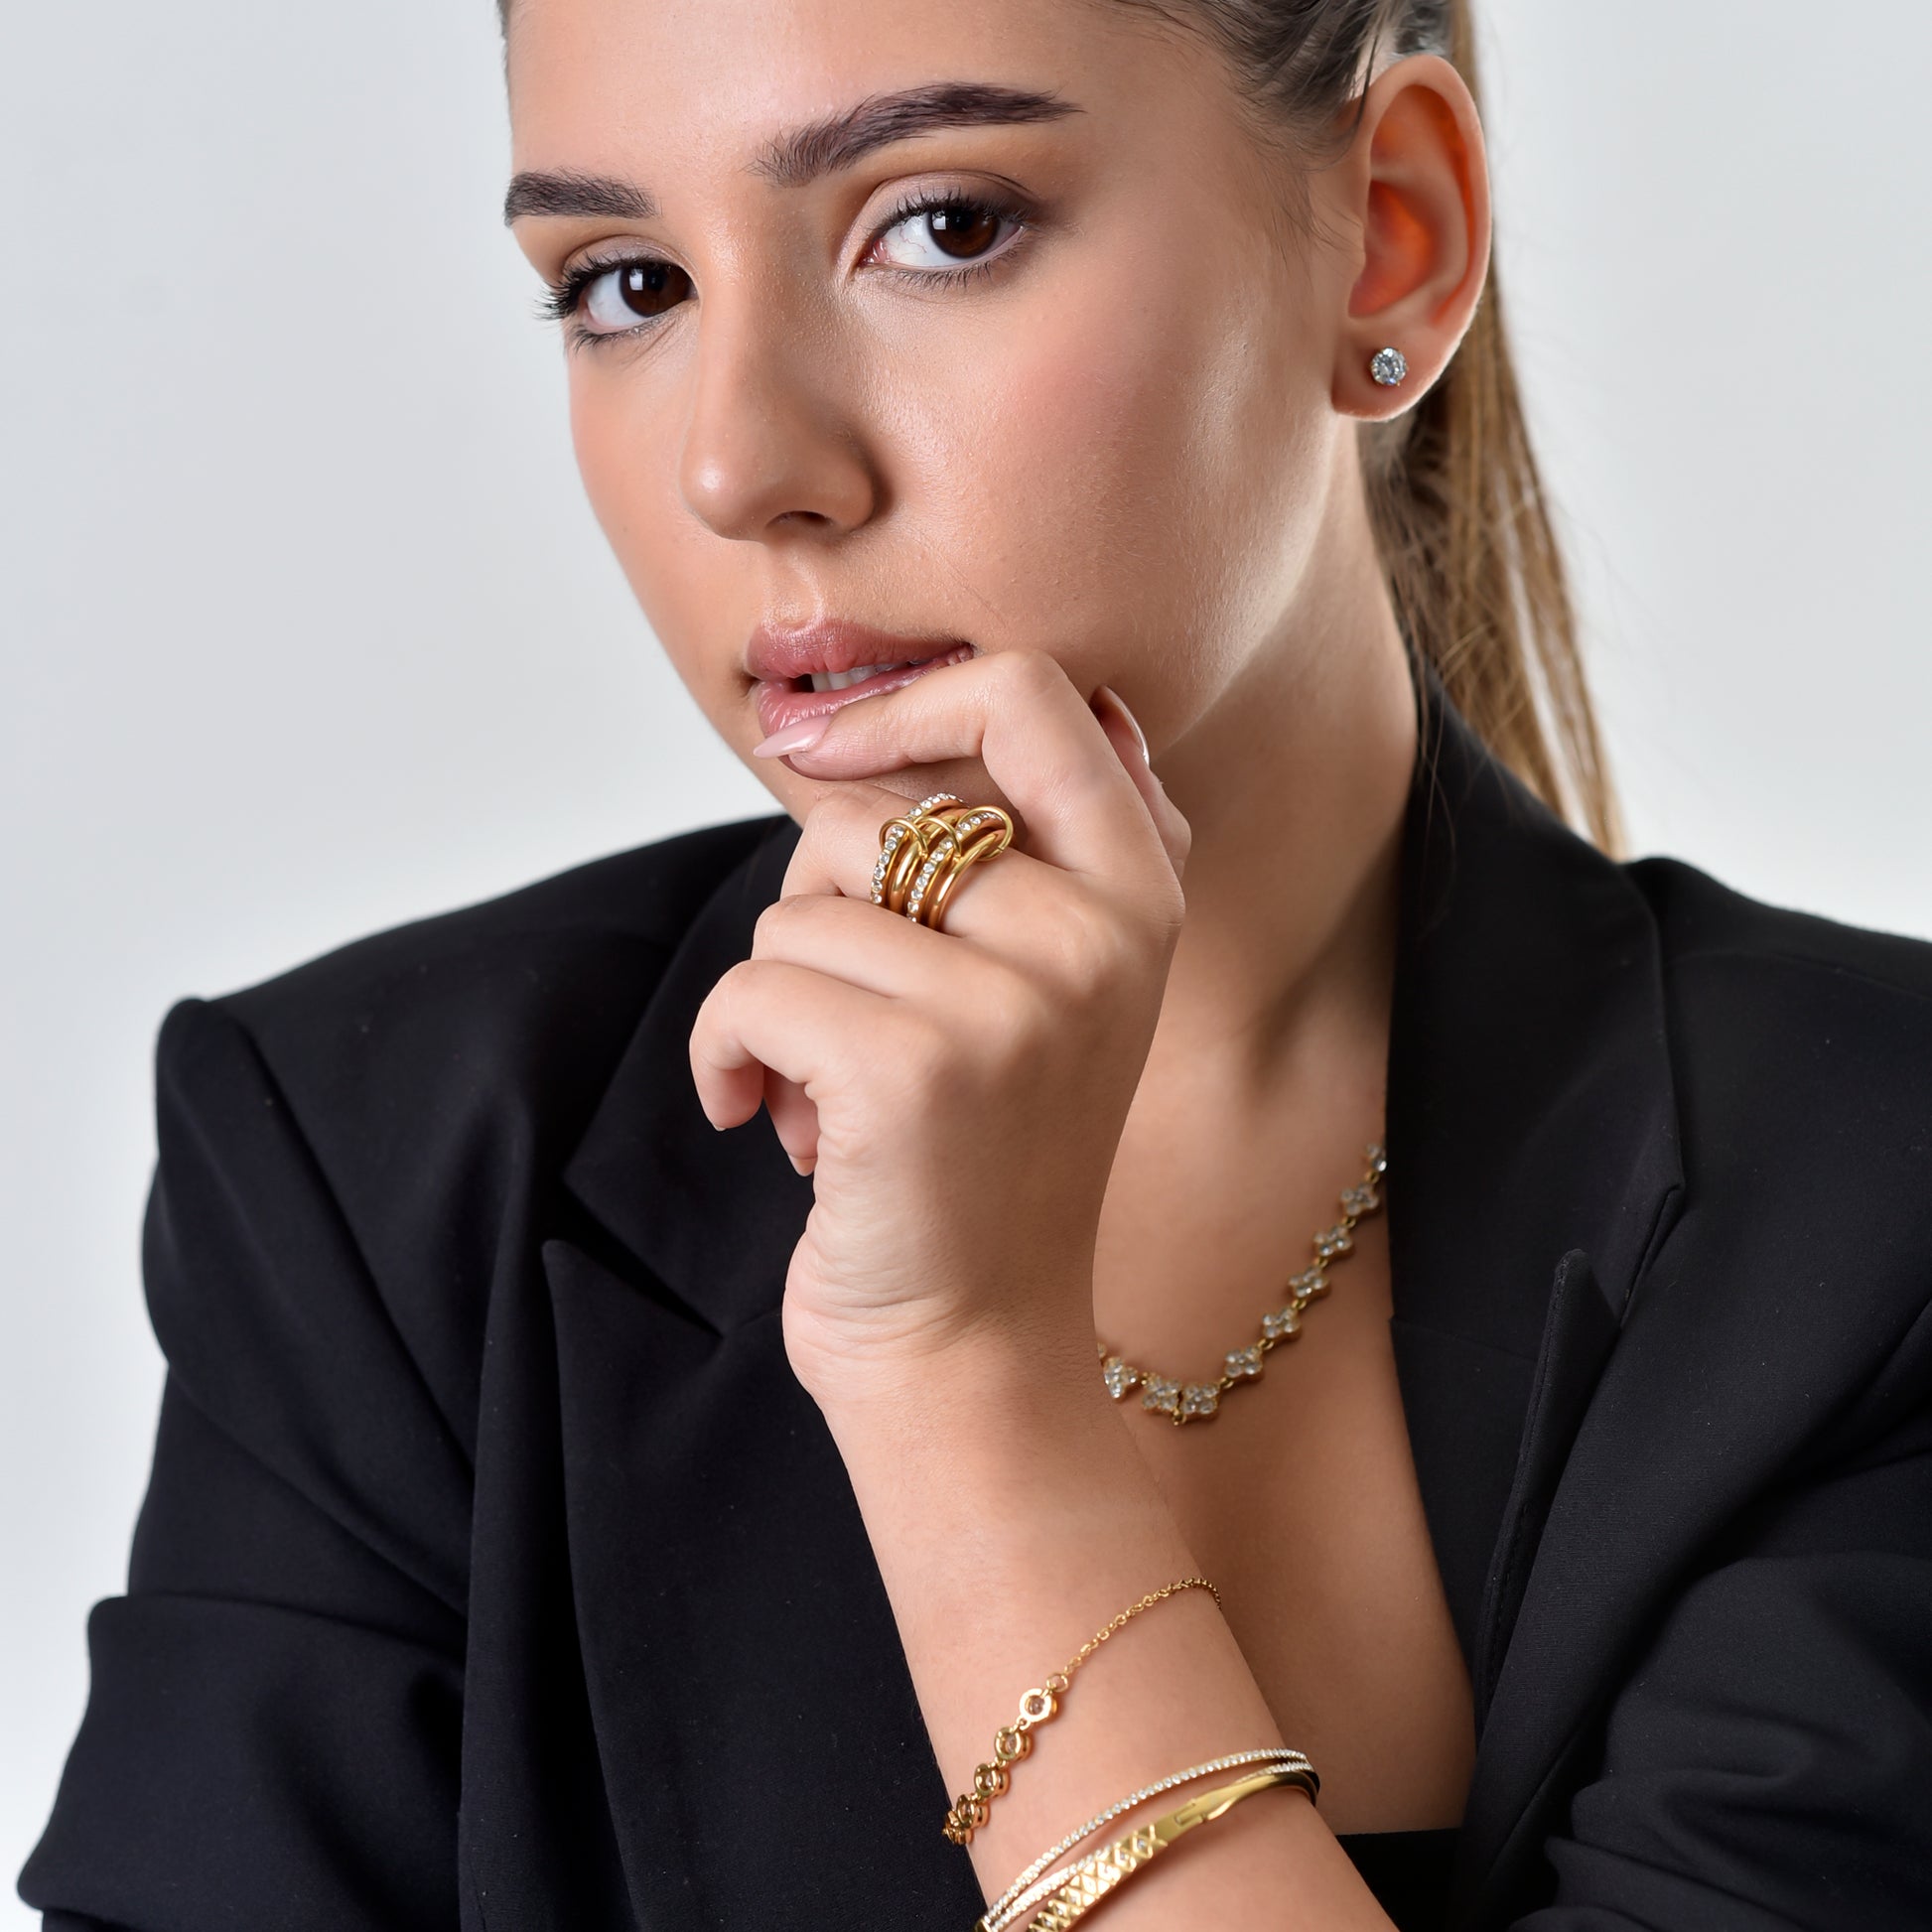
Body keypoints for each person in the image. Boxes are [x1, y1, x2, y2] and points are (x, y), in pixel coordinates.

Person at [20, 0, 1932, 1927]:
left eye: (939, 224)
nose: (742, 460)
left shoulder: (1875, 1197)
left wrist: (967, 1392)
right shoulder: (374, 1185)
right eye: (625, 281)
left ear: (1389, 231)